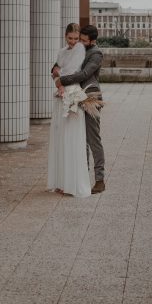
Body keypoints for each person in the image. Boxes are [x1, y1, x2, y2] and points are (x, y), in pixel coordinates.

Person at [54, 24, 106, 194]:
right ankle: (81, 177)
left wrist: (63, 80)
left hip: (91, 98)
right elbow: (58, 66)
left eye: (83, 41)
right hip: (74, 95)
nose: (80, 43)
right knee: (79, 141)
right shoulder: (77, 48)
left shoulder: (96, 54)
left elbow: (84, 74)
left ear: (92, 41)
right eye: (79, 40)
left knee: (93, 139)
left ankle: (100, 180)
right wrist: (56, 73)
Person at [47, 23, 91, 198]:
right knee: (60, 136)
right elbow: (56, 69)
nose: (73, 42)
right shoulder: (61, 51)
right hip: (61, 94)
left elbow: (70, 71)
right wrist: (57, 77)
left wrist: (58, 78)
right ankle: (61, 182)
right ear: (65, 36)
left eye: (75, 38)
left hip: (72, 94)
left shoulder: (80, 48)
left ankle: (71, 183)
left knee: (71, 137)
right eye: (70, 38)